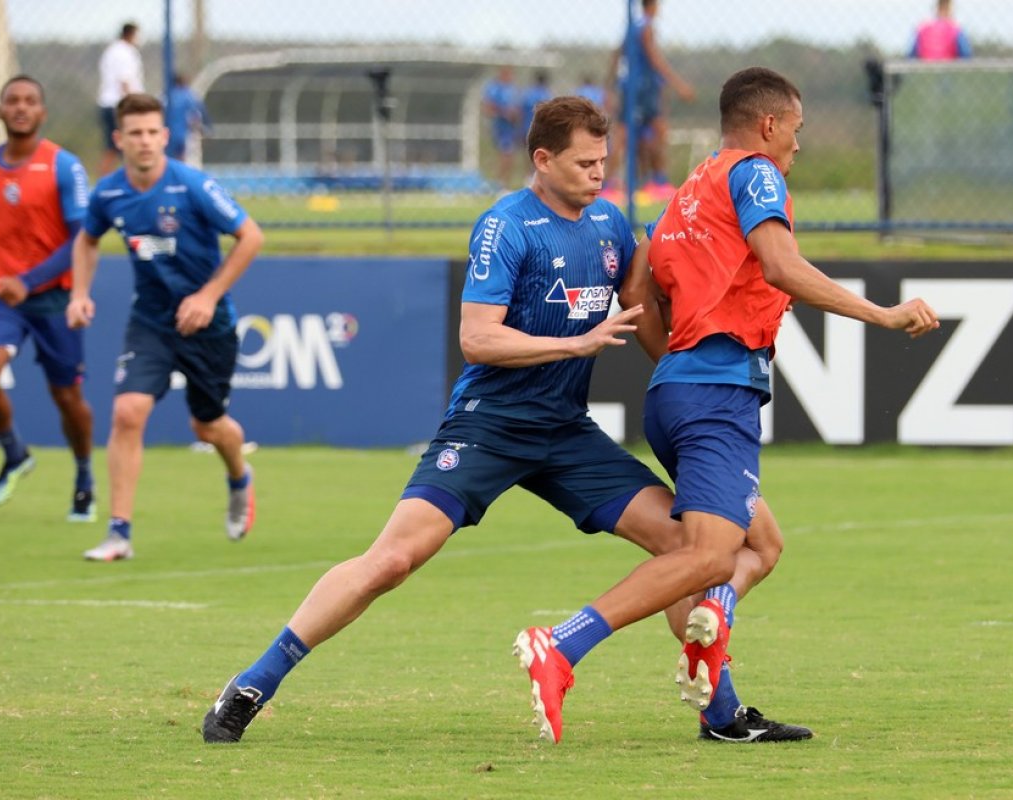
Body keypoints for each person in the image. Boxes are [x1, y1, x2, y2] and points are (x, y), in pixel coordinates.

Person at [199, 96, 811, 747]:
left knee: (688, 551)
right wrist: (573, 345)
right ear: (541, 159)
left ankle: (721, 715)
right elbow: (478, 340)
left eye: (603, 162)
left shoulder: (609, 225)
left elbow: (647, 294)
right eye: (582, 163)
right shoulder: (507, 226)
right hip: (488, 425)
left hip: (566, 434)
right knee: (393, 560)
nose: (596, 175)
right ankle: (252, 684)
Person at [636, 66, 939, 730]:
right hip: (717, 394)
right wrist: (883, 315)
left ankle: (720, 699)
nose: (798, 147)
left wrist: (676, 362)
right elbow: (780, 265)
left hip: (675, 391)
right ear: (768, 125)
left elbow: (640, 295)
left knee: (758, 545)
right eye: (796, 131)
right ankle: (589, 642)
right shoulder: (755, 173)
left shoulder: (686, 192)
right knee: (707, 560)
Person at [66, 92, 263, 562]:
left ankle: (239, 477)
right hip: (151, 321)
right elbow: (87, 240)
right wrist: (78, 293)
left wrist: (207, 295)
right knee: (128, 412)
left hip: (208, 324)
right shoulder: (109, 192)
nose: (145, 141)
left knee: (209, 427)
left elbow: (251, 236)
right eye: (135, 133)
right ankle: (119, 533)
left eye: (153, 132)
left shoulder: (192, 185)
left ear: (165, 136)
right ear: (120, 139)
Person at [0, 75, 95, 521]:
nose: (21, 107)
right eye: (12, 101)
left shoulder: (64, 166)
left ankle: (83, 476)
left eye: (30, 101)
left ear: (42, 113)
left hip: (54, 300)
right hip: (3, 295)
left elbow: (81, 238)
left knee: (67, 399)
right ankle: (15, 453)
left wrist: (31, 278)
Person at [605, 0, 695, 201]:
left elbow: (617, 55)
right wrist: (679, 85)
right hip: (644, 88)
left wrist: (610, 86)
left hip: (630, 87)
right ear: (652, 5)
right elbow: (655, 59)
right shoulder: (646, 28)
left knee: (627, 135)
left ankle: (610, 184)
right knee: (656, 132)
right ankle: (658, 182)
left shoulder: (631, 27)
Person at [96, 22, 144, 176]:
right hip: (119, 105)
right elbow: (125, 81)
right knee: (122, 146)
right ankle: (106, 184)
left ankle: (119, 181)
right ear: (131, 34)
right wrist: (133, 105)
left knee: (114, 148)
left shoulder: (112, 50)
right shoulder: (125, 52)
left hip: (109, 103)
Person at [480, 66, 521, 188]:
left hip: (511, 128)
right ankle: (499, 183)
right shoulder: (494, 88)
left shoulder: (512, 89)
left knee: (509, 156)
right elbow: (488, 108)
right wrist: (504, 113)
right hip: (500, 127)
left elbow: (516, 108)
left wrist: (515, 115)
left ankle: (503, 182)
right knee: (504, 154)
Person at [166, 73, 212, 165]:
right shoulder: (191, 97)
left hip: (168, 134)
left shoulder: (165, 96)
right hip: (186, 135)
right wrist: (207, 130)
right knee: (189, 164)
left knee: (170, 162)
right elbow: (196, 117)